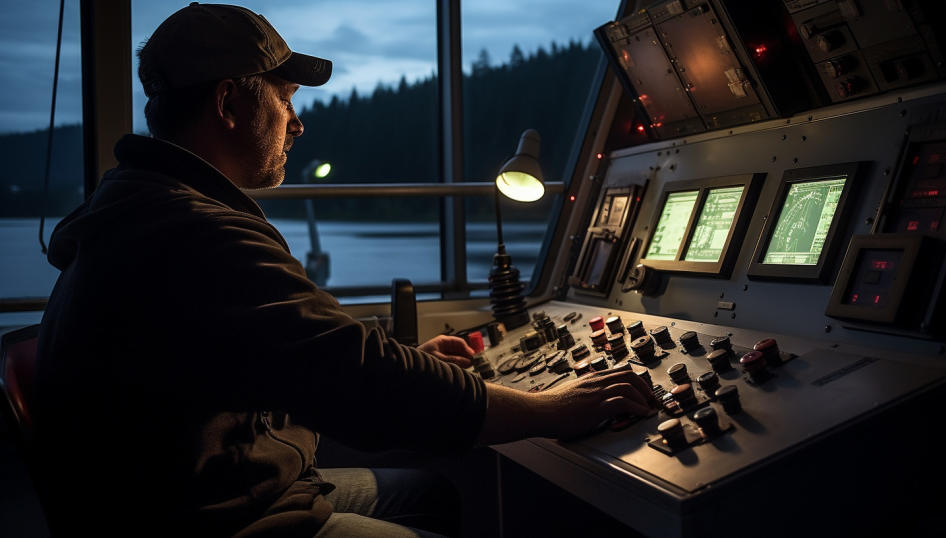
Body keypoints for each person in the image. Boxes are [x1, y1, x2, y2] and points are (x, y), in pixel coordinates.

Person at [33, 4, 658, 537]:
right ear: (227, 103)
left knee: (433, 494)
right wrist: (553, 409)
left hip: (202, 491)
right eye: (283, 100)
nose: (298, 124)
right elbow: (363, 381)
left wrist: (405, 358)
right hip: (215, 521)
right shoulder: (195, 232)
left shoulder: (139, 206)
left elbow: (306, 356)